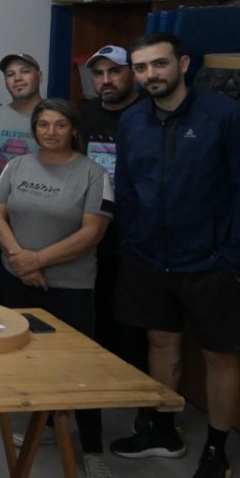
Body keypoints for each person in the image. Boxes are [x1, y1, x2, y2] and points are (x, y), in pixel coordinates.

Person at [109, 33, 240, 478]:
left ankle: (216, 450)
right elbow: (126, 185)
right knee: (160, 339)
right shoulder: (132, 120)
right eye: (142, 67)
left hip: (211, 260)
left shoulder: (226, 116)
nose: (151, 74)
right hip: (149, 257)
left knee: (218, 355)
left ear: (183, 63)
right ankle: (163, 430)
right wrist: (132, 240)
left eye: (159, 64)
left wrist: (235, 258)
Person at [0, 98, 116, 478]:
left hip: (70, 287)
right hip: (18, 281)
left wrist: (38, 260)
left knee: (79, 367)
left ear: (72, 129)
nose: (51, 132)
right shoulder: (16, 166)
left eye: (60, 124)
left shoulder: (94, 173)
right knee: (29, 357)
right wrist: (20, 260)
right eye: (44, 124)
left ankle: (92, 449)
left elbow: (93, 232)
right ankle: (44, 426)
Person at [78, 45, 146, 369]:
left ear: (132, 73)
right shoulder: (85, 114)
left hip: (138, 231)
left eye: (115, 71)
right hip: (94, 226)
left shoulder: (149, 112)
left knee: (134, 315)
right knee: (99, 305)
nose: (106, 80)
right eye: (98, 73)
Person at [0, 53, 42, 301]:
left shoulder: (54, 116)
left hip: (41, 224)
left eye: (24, 71)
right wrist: (16, 198)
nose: (17, 78)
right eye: (10, 74)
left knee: (36, 297)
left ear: (39, 76)